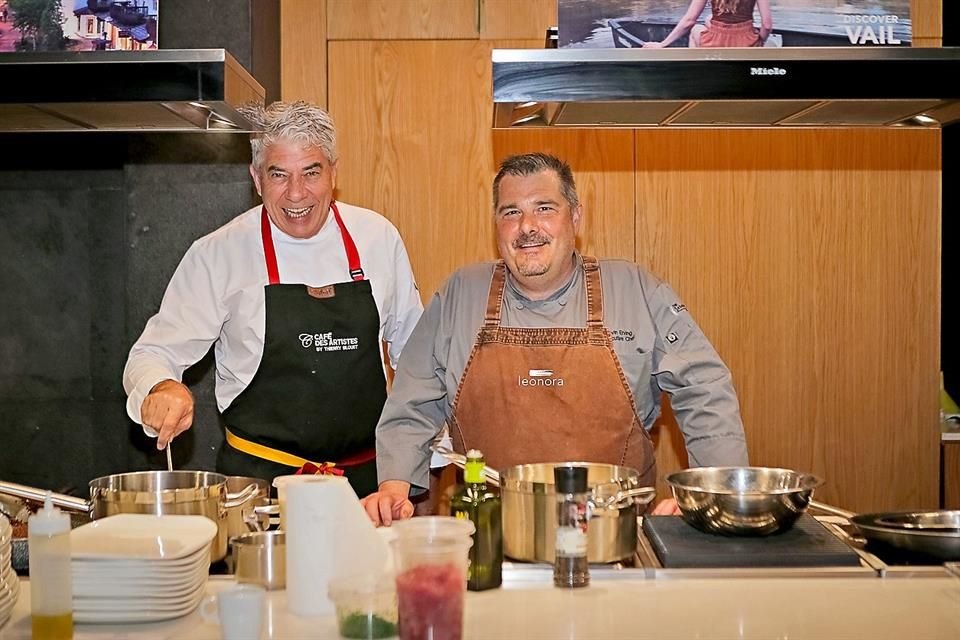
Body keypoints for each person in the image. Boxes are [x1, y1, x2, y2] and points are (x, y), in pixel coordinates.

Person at [361, 153, 748, 525]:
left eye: (544, 208)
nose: (527, 226)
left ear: (575, 217)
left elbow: (704, 388)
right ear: (496, 224)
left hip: (617, 541)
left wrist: (713, 494)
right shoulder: (461, 294)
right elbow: (411, 401)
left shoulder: (637, 290)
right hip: (490, 544)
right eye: (511, 212)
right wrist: (393, 488)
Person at [123, 101, 423, 497]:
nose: (295, 193)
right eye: (278, 174)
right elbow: (151, 354)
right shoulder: (220, 252)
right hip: (258, 489)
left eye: (311, 172)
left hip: (367, 489)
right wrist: (160, 387)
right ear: (256, 177)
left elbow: (419, 361)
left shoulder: (377, 238)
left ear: (334, 172)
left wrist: (419, 472)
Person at [642, 0, 772, 48]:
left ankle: (697, 68)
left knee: (695, 29)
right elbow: (766, 25)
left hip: (714, 42)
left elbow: (689, 21)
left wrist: (662, 44)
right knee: (708, 19)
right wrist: (759, 42)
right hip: (746, 42)